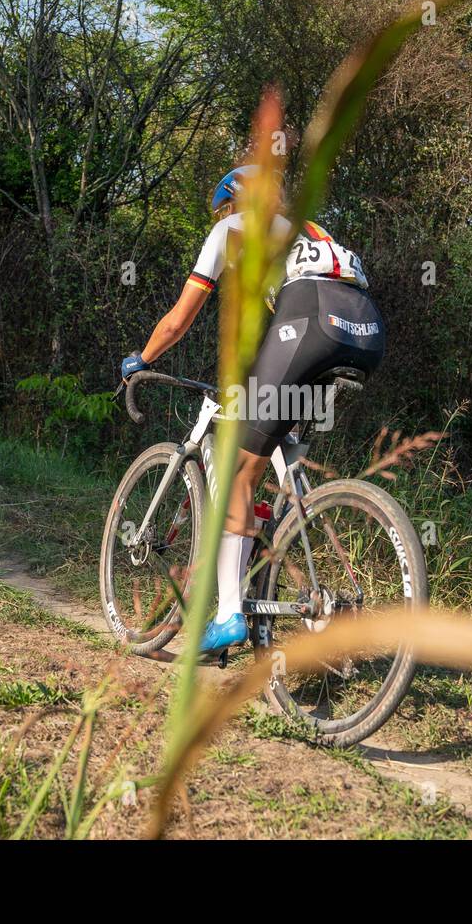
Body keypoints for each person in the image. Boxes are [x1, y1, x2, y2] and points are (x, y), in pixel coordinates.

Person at [119, 165, 385, 653]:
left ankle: (227, 615)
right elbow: (274, 335)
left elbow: (179, 320)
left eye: (224, 208)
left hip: (312, 319)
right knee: (270, 448)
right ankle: (271, 542)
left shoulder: (232, 231)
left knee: (237, 472)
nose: (222, 218)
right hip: (364, 328)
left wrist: (142, 358)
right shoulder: (306, 231)